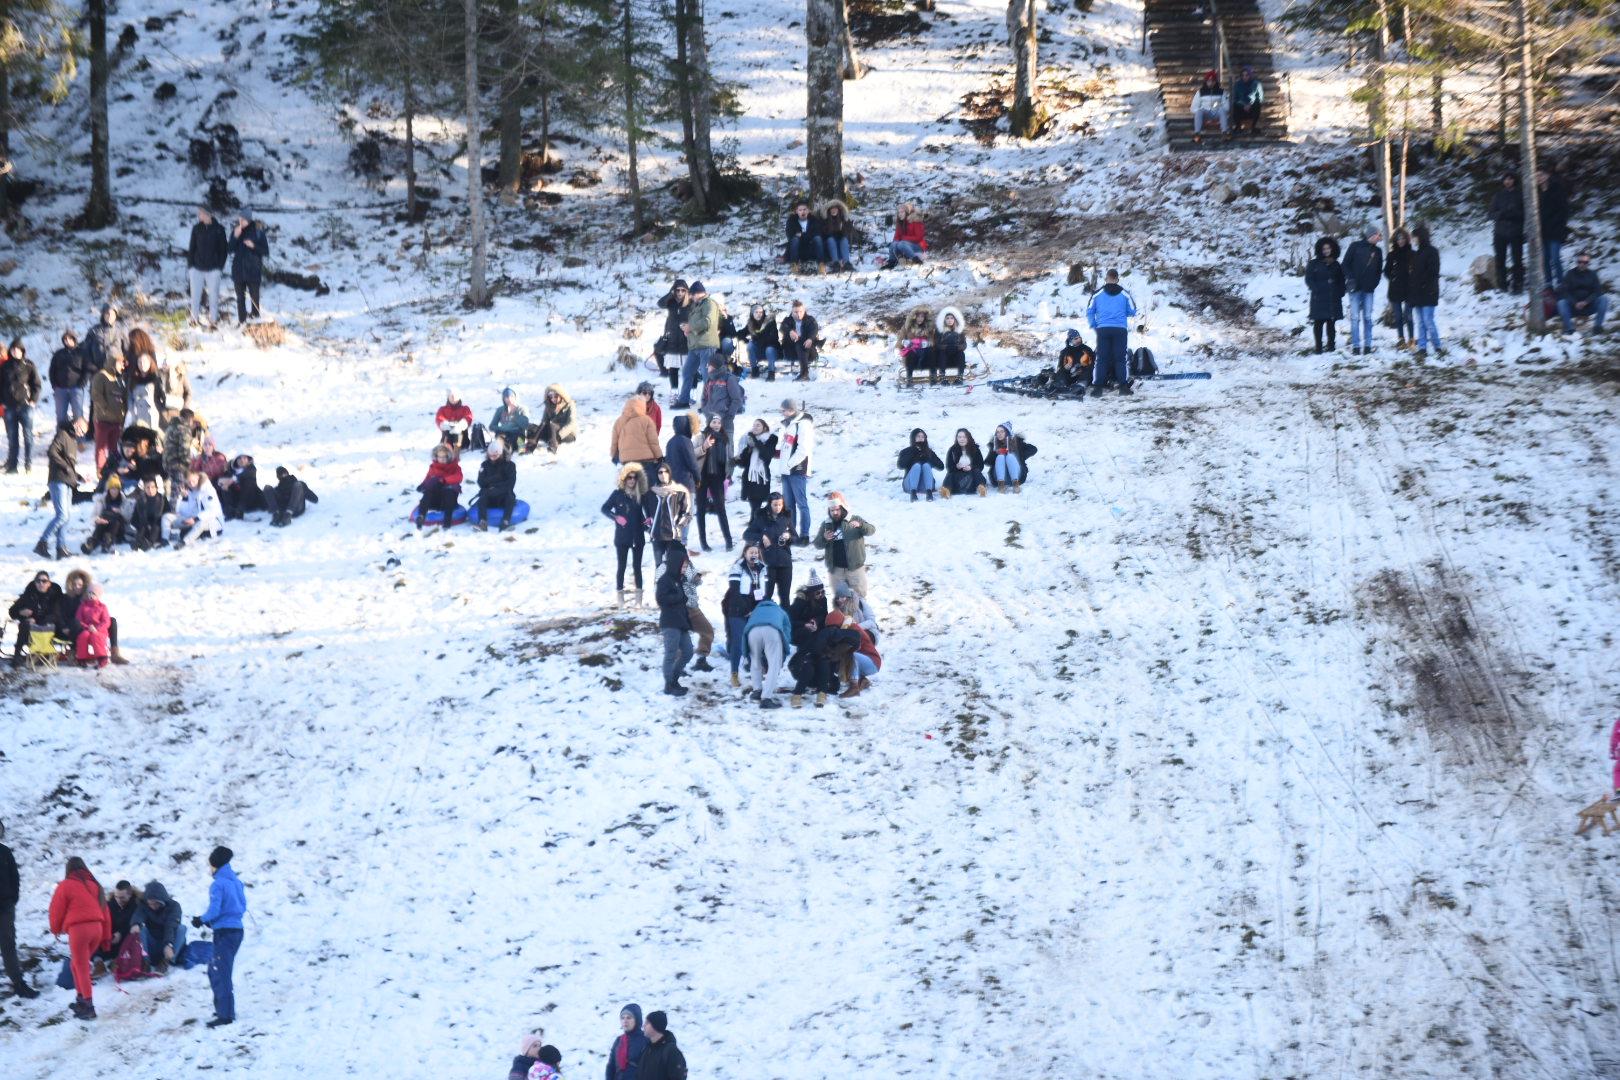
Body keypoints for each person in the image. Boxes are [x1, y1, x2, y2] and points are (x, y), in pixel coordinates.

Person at [49, 856, 112, 1020]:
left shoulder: (65, 885)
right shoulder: (95, 885)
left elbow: (56, 909)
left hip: (79, 930)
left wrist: (55, 929)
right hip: (97, 928)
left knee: (81, 966)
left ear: (68, 870)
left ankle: (89, 1007)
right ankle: (81, 1000)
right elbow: (105, 911)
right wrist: (106, 936)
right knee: (76, 965)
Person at [192, 845, 246, 1027]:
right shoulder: (236, 882)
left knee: (220, 972)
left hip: (224, 933)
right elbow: (241, 906)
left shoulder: (218, 884)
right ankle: (223, 1009)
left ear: (214, 864)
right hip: (237, 930)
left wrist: (202, 919)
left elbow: (215, 909)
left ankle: (225, 1015)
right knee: (217, 969)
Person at [603, 463, 656, 603]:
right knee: (621, 566)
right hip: (622, 538)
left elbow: (646, 513)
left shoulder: (641, 496)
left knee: (637, 567)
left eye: (634, 478)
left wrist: (648, 521)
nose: (632, 480)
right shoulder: (617, 495)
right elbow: (604, 508)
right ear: (624, 479)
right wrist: (616, 517)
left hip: (638, 537)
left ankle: (639, 600)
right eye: (629, 477)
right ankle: (620, 599)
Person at [0, 821, 40, 998]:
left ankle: (18, 983)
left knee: (8, 945)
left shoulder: (5, 852)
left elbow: (15, 878)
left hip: (5, 907)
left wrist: (12, 899)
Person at [57, 568, 127, 666]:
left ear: (84, 586)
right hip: (71, 627)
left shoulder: (88, 598)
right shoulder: (65, 598)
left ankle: (114, 653)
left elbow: (98, 613)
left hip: (88, 626)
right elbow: (58, 614)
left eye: (80, 585)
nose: (77, 587)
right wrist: (63, 626)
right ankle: (73, 652)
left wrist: (96, 626)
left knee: (112, 620)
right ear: (71, 585)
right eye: (74, 585)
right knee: (76, 622)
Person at [813, 492, 876, 599]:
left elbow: (871, 530)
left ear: (843, 507)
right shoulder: (826, 524)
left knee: (860, 599)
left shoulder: (854, 518)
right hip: (836, 570)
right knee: (840, 601)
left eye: (837, 509)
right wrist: (824, 538)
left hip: (855, 568)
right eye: (832, 510)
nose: (835, 512)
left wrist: (861, 525)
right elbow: (817, 544)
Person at [38, 418, 85, 560]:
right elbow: (52, 452)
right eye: (82, 430)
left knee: (66, 517)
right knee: (62, 515)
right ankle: (42, 542)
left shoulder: (73, 441)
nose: (82, 434)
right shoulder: (62, 435)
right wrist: (65, 467)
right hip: (58, 480)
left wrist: (78, 476)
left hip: (68, 482)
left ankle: (61, 548)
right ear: (76, 425)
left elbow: (69, 465)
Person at [723, 544, 768, 688]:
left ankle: (756, 669)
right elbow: (734, 592)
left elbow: (764, 592)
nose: (754, 554)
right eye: (751, 552)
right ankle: (734, 673)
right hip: (737, 608)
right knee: (738, 641)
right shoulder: (737, 567)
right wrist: (745, 610)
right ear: (745, 553)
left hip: (754, 609)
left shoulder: (762, 568)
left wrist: (758, 609)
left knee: (755, 640)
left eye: (756, 552)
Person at [1086, 269, 1138, 395]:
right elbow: (1133, 311)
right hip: (1120, 329)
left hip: (1103, 329)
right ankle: (1123, 387)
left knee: (1102, 358)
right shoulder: (1125, 294)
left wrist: (1094, 324)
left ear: (1106, 278)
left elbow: (1089, 310)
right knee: (1120, 359)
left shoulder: (1097, 294)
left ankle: (1097, 388)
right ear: (1117, 279)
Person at [826, 586, 880, 698]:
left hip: (873, 662)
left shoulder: (852, 628)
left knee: (850, 655)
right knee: (842, 657)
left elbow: (871, 621)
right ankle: (863, 681)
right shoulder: (845, 624)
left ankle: (854, 687)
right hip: (864, 660)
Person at [744, 491, 795, 607]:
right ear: (769, 504)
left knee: (785, 597)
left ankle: (786, 623)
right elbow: (747, 535)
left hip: (785, 562)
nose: (778, 508)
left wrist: (789, 536)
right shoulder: (761, 517)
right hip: (767, 563)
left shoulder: (786, 517)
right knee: (765, 596)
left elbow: (796, 537)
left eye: (780, 505)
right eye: (775, 505)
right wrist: (761, 537)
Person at [675, 281, 719, 409]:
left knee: (707, 375)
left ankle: (709, 404)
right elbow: (695, 324)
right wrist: (687, 330)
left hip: (707, 345)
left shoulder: (709, 303)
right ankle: (683, 400)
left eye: (692, 295)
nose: (690, 297)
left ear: (697, 293)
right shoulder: (696, 305)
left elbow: (707, 322)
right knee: (687, 372)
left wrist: (690, 327)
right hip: (695, 346)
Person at [774, 398, 815, 538]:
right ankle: (792, 533)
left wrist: (789, 464)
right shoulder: (788, 424)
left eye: (783, 410)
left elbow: (803, 449)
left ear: (791, 410)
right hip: (786, 471)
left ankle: (804, 534)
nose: (782, 413)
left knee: (801, 504)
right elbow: (787, 446)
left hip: (797, 469)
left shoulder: (803, 424)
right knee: (789, 505)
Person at [656, 552, 695, 697]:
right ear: (676, 564)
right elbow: (661, 599)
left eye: (686, 566)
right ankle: (669, 684)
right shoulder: (665, 580)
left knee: (688, 652)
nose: (684, 569)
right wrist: (679, 596)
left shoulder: (680, 581)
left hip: (681, 622)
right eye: (683, 566)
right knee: (670, 654)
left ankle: (674, 679)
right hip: (670, 622)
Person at [742, 593, 791, 708]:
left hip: (752, 632)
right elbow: (787, 631)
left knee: (755, 661)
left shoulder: (756, 611)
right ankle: (766, 698)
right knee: (774, 664)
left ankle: (757, 690)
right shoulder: (780, 611)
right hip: (772, 631)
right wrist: (784, 649)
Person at [1341, 227, 1384, 355]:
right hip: (1354, 289)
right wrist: (1350, 278)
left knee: (1367, 317)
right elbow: (1345, 264)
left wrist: (1374, 284)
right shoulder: (1355, 246)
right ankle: (1355, 346)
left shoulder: (1378, 251)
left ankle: (1367, 346)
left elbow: (1378, 270)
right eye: (1377, 235)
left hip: (1369, 290)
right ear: (1371, 235)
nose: (1379, 237)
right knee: (1354, 318)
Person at [694, 414, 733, 551]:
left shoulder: (725, 439)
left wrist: (729, 473)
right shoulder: (701, 436)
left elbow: (729, 457)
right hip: (702, 476)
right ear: (709, 423)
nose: (716, 424)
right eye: (714, 422)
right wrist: (704, 447)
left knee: (721, 508)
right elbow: (692, 453)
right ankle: (703, 542)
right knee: (700, 510)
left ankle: (728, 540)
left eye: (718, 422)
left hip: (718, 477)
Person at [2, 339, 41, 473]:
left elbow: (36, 384)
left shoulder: (29, 365)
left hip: (25, 406)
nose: (15, 351)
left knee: (28, 436)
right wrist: (3, 402)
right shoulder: (5, 366)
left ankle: (28, 464)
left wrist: (33, 400)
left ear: (22, 351)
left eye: (18, 349)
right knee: (13, 437)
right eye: (13, 349)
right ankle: (13, 466)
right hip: (10, 407)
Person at [9, 569, 63, 666]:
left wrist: (36, 620)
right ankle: (17, 655)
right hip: (30, 631)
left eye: (44, 581)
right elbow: (12, 611)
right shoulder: (28, 594)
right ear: (35, 583)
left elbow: (55, 614)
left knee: (46, 622)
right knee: (25, 624)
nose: (41, 583)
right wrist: (21, 612)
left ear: (49, 583)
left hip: (50, 629)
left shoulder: (55, 595)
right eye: (38, 581)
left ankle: (44, 654)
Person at [187, 206, 229, 327]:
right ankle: (193, 319)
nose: (199, 215)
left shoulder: (219, 229)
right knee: (195, 296)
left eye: (201, 213)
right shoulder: (196, 228)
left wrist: (219, 267)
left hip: (213, 270)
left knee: (213, 296)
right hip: (197, 269)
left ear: (208, 214)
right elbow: (192, 248)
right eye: (199, 213)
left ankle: (213, 321)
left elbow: (223, 250)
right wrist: (191, 266)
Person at [648, 462, 693, 569]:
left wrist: (678, 526)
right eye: (660, 472)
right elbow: (645, 512)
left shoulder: (680, 491)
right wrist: (649, 527)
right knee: (659, 568)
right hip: (657, 536)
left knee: (674, 567)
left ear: (670, 473)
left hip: (673, 536)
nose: (663, 474)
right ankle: (659, 586)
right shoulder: (651, 493)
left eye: (666, 471)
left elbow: (688, 513)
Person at [1305, 236, 1346, 354]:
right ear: (1320, 250)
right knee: (1318, 323)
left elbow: (1341, 280)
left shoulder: (1336, 264)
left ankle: (1331, 346)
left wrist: (1341, 292)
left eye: (1328, 248)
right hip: (1319, 297)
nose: (1326, 250)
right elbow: (1309, 279)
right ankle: (1318, 347)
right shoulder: (1314, 264)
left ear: (1332, 249)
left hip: (1333, 297)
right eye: (1324, 249)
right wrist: (1316, 289)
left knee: (1331, 323)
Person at [88, 352, 127, 474]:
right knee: (101, 448)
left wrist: (124, 411)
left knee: (113, 448)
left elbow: (123, 397)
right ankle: (100, 471)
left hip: (117, 420)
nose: (123, 366)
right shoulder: (101, 376)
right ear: (113, 362)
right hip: (103, 419)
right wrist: (105, 408)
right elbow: (96, 395)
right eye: (120, 363)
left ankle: (113, 469)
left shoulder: (119, 379)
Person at [699, 354, 745, 453]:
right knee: (711, 453)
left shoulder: (729, 379)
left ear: (715, 366)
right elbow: (703, 400)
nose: (707, 366)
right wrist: (708, 415)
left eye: (709, 365)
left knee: (727, 452)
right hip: (711, 423)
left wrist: (729, 416)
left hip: (726, 422)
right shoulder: (709, 379)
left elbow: (736, 400)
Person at [229, 210, 269, 323]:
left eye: (243, 219)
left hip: (253, 271)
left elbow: (266, 251)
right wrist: (235, 237)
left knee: (255, 298)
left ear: (248, 220)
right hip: (238, 271)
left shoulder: (258, 233)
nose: (240, 221)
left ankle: (255, 320)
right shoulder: (236, 231)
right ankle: (242, 322)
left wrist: (253, 246)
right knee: (240, 299)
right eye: (239, 219)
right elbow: (230, 249)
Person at [611, 393, 663, 477]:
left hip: (626, 459)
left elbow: (614, 442)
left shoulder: (619, 421)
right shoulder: (647, 420)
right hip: (646, 460)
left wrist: (614, 455)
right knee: (646, 483)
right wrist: (659, 456)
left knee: (631, 483)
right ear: (642, 406)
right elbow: (653, 442)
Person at [1410, 224, 1442, 356]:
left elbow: (1433, 271)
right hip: (1417, 293)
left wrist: (1421, 281)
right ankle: (1422, 347)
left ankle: (1437, 346)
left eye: (1414, 237)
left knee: (1428, 320)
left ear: (1420, 237)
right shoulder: (1417, 253)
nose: (1412, 240)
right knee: (1420, 322)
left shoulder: (1432, 251)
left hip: (1429, 291)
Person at [733, 418, 776, 519]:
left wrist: (756, 442)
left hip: (761, 477)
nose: (755, 427)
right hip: (749, 477)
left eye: (758, 425)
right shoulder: (750, 440)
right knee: (754, 507)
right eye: (754, 425)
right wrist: (748, 450)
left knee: (757, 506)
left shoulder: (771, 439)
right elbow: (743, 463)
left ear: (764, 427)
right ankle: (755, 524)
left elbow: (765, 455)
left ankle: (755, 525)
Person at [1556, 252, 1608, 335]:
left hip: (1589, 305)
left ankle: (1597, 327)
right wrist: (1574, 303)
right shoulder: (1570, 274)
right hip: (1573, 307)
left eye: (1585, 262)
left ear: (1588, 263)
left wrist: (1586, 301)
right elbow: (1564, 291)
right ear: (1577, 262)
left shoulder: (1593, 274)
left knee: (1604, 299)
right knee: (1561, 303)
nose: (1582, 264)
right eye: (1580, 262)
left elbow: (1598, 291)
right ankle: (1569, 329)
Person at [140, 881, 186, 973]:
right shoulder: (144, 906)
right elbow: (138, 916)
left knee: (182, 928)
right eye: (150, 904)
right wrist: (135, 924)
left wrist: (168, 944)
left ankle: (166, 962)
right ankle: (145, 961)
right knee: (140, 928)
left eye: (155, 903)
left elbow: (171, 925)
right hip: (152, 943)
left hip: (169, 946)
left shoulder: (174, 906)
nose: (152, 906)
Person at [654, 280, 691, 392]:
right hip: (672, 336)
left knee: (689, 365)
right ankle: (668, 379)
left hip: (686, 337)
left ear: (686, 291)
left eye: (683, 290)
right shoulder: (671, 302)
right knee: (659, 350)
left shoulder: (690, 303)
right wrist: (670, 294)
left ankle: (689, 390)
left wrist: (690, 326)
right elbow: (660, 303)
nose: (680, 293)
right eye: (677, 290)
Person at [48, 331, 91, 427]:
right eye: (65, 339)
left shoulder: (82, 352)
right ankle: (61, 439)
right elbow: (52, 370)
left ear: (74, 339)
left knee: (78, 416)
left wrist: (82, 383)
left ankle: (80, 440)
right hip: (60, 389)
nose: (67, 341)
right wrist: (54, 385)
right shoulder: (58, 354)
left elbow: (87, 369)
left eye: (69, 338)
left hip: (76, 388)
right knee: (61, 417)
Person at [681, 555, 716, 674]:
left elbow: (697, 580)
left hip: (693, 607)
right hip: (679, 609)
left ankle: (701, 659)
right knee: (679, 637)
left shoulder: (689, 564)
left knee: (707, 630)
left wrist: (696, 578)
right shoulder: (667, 568)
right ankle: (677, 667)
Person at [1489, 175, 1524, 293]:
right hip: (1500, 232)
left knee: (1517, 260)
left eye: (1510, 178)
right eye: (1506, 179)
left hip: (1516, 232)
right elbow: (1490, 214)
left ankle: (1518, 284)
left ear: (1514, 180)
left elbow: (1525, 213)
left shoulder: (1520, 195)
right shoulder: (1498, 195)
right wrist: (1502, 214)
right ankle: (1502, 284)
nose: (1508, 181)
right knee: (1500, 259)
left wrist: (1513, 214)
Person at [414, 443, 462, 526]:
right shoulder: (433, 467)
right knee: (428, 491)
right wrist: (423, 485)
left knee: (449, 491)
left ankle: (447, 520)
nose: (442, 459)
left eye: (444, 457)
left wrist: (444, 480)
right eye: (440, 457)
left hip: (447, 502)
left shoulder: (455, 466)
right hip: (435, 501)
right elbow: (428, 479)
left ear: (449, 456)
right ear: (436, 457)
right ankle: (421, 516)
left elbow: (458, 477)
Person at [473, 441, 517, 531]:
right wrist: (494, 481)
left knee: (510, 498)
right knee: (482, 498)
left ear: (500, 454)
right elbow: (480, 482)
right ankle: (482, 522)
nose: (492, 458)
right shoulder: (484, 465)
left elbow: (510, 483)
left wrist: (495, 487)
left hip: (503, 495)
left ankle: (505, 522)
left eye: (495, 456)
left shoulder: (510, 465)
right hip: (489, 494)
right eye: (490, 455)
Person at [123, 344, 167, 433]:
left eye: (145, 362)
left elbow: (162, 396)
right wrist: (131, 410)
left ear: (150, 363)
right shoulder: (133, 379)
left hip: (152, 414)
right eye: (140, 362)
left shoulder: (155, 378)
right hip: (137, 413)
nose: (142, 364)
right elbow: (129, 396)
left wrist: (158, 408)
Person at [1538, 166, 1569, 287]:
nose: (1538, 178)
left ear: (1547, 175)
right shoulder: (1536, 192)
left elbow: (1564, 210)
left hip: (1556, 230)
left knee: (1555, 258)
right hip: (1543, 232)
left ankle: (1561, 283)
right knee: (1545, 259)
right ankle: (1548, 283)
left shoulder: (1557, 189)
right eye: (1536, 176)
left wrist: (1558, 224)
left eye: (1541, 175)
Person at [81, 476, 130, 553]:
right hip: (103, 526)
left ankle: (108, 541)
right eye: (112, 489)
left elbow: (128, 518)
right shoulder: (101, 500)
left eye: (116, 488)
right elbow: (93, 516)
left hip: (118, 529)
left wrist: (120, 511)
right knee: (102, 522)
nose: (114, 491)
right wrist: (97, 520)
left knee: (115, 521)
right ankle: (91, 545)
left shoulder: (124, 500)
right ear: (108, 489)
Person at [1385, 228, 1415, 350]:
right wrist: (1393, 278)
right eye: (1398, 239)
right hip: (1395, 289)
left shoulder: (1412, 254)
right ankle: (1401, 339)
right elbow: (1386, 271)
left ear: (1407, 239)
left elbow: (1416, 270)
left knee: (1408, 315)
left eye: (1403, 238)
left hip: (1409, 288)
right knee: (1398, 316)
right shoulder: (1391, 255)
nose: (1401, 241)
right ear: (1395, 240)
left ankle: (1412, 339)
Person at [985, 421, 1037, 492]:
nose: (999, 434)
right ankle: (1001, 486)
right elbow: (987, 462)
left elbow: (1033, 449)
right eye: (998, 432)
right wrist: (995, 453)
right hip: (999, 477)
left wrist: (1020, 456)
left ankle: (1016, 485)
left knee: (1010, 456)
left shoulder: (1016, 442)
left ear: (1007, 432)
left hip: (1017, 476)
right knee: (1000, 457)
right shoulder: (994, 444)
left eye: (1002, 431)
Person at [778, 301, 820, 382]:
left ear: (804, 310)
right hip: (791, 352)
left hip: (808, 352)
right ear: (792, 312)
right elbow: (783, 327)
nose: (799, 314)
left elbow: (814, 330)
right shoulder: (787, 320)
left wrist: (810, 339)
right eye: (796, 312)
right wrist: (790, 331)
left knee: (801, 343)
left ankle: (804, 374)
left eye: (801, 311)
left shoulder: (810, 320)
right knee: (799, 342)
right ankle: (804, 374)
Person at [639, 1011, 687, 1080]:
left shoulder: (671, 1052)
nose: (643, 1026)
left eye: (647, 1023)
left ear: (655, 1025)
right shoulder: (647, 1049)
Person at [217, 453, 267, 520]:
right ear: (236, 461)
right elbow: (220, 480)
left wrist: (233, 479)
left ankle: (240, 509)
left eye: (244, 458)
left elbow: (245, 475)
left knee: (249, 482)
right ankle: (230, 511)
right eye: (239, 458)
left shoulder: (251, 468)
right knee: (224, 486)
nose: (242, 460)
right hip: (237, 499)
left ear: (248, 459)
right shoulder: (231, 470)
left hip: (252, 500)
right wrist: (225, 482)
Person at [606, 1004, 649, 1080]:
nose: (625, 1021)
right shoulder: (618, 1041)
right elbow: (611, 1066)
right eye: (622, 1018)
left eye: (629, 1017)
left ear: (637, 1019)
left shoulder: (646, 1040)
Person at [897, 427, 941, 500]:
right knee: (917, 466)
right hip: (909, 485)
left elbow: (941, 466)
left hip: (925, 485)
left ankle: (929, 493)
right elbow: (901, 465)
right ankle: (913, 494)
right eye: (918, 436)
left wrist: (928, 458)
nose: (921, 438)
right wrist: (912, 451)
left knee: (926, 465)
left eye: (922, 436)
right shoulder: (906, 451)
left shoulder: (929, 452)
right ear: (913, 437)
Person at [941, 428, 987, 498]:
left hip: (971, 475)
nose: (961, 439)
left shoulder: (975, 449)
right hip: (957, 476)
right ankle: (946, 491)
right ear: (957, 438)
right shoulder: (952, 450)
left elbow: (980, 465)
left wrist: (971, 467)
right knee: (950, 474)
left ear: (968, 438)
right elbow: (949, 467)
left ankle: (981, 488)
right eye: (959, 437)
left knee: (977, 471)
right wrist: (956, 467)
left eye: (964, 437)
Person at [532, 384, 577, 453]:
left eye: (556, 396)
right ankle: (530, 445)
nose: (553, 399)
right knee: (531, 428)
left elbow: (571, 424)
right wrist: (536, 436)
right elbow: (544, 422)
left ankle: (553, 446)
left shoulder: (570, 405)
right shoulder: (549, 405)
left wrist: (559, 436)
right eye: (551, 397)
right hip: (551, 433)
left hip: (567, 434)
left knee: (552, 425)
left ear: (561, 395)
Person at [741, 305, 781, 380]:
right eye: (756, 312)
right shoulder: (751, 323)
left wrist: (757, 338)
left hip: (772, 352)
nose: (759, 314)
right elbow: (741, 333)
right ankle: (755, 370)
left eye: (761, 312)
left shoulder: (770, 322)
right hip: (760, 352)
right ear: (752, 313)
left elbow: (774, 338)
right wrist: (745, 339)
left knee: (769, 349)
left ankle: (771, 372)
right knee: (750, 345)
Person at [885, 202, 927, 269]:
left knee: (902, 243)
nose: (899, 214)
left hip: (918, 247)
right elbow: (896, 237)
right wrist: (895, 244)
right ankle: (891, 262)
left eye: (902, 212)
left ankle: (916, 260)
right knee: (893, 244)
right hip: (905, 247)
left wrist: (904, 238)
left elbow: (919, 238)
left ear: (907, 213)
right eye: (899, 213)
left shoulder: (915, 221)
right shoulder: (900, 223)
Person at [489, 387, 530, 454]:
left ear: (515, 397)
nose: (509, 399)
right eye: (506, 397)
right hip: (505, 434)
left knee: (519, 437)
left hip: (518, 434)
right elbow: (492, 426)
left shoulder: (522, 408)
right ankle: (504, 448)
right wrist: (503, 428)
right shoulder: (500, 410)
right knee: (499, 436)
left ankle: (520, 448)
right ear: (504, 399)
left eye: (511, 397)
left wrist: (515, 416)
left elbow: (525, 425)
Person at [130, 476, 166, 550]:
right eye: (148, 487)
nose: (150, 490)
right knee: (142, 527)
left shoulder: (163, 499)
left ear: (156, 488)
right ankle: (138, 542)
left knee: (156, 527)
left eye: (152, 487)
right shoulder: (140, 500)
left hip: (157, 529)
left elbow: (167, 516)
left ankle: (149, 543)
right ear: (144, 489)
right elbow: (134, 519)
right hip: (144, 528)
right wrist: (141, 525)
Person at [783, 201, 822, 267]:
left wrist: (802, 235)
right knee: (795, 240)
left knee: (818, 238)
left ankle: (821, 264)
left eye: (804, 209)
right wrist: (802, 236)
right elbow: (790, 235)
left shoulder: (814, 220)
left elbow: (817, 232)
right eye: (800, 210)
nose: (802, 212)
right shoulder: (791, 220)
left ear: (808, 211)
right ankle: (794, 265)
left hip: (811, 247)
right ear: (796, 211)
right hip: (798, 248)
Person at [820, 199, 855, 272]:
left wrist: (842, 231)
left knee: (844, 240)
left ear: (839, 210)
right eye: (832, 208)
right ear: (829, 210)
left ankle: (846, 263)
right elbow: (823, 232)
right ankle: (835, 263)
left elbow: (848, 230)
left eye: (835, 208)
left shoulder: (844, 218)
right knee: (831, 240)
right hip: (829, 243)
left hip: (841, 241)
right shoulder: (825, 219)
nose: (834, 210)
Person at [1192, 69, 1228, 140]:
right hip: (1205, 112)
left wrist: (1219, 106)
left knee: (1222, 110)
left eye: (1212, 81)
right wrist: (1201, 110)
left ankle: (1224, 132)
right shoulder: (1200, 92)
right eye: (1209, 81)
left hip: (1217, 112)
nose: (1210, 83)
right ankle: (1197, 133)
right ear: (1206, 81)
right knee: (1199, 112)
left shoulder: (1221, 92)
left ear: (1215, 82)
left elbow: (1227, 106)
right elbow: (1193, 107)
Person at [1231, 65, 1263, 134]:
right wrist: (1243, 105)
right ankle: (1238, 127)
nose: (1244, 77)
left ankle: (1253, 127)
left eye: (1246, 75)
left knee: (1258, 104)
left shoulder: (1257, 84)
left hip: (1252, 108)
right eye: (1243, 75)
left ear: (1250, 75)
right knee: (1234, 105)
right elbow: (1235, 98)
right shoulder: (1237, 84)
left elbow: (1260, 97)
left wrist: (1250, 104)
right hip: (1241, 108)